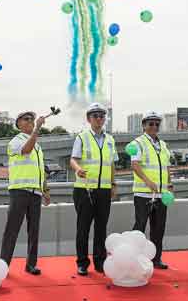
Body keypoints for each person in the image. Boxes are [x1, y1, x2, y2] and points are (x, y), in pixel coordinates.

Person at [0, 111, 51, 275]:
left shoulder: (37, 146)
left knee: (34, 230)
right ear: (19, 124)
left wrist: (45, 190)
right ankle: (3, 265)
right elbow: (26, 150)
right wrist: (37, 128)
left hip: (35, 192)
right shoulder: (15, 142)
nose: (30, 122)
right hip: (19, 191)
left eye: (32, 119)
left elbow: (40, 169)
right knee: (12, 229)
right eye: (26, 119)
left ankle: (31, 264)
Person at [70, 103, 118, 276]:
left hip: (104, 190)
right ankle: (82, 263)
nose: (99, 119)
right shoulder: (82, 137)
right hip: (85, 190)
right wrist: (77, 169)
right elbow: (73, 159)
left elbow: (112, 164)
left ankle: (100, 262)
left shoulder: (110, 140)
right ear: (88, 119)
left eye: (101, 116)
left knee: (101, 228)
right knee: (83, 228)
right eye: (95, 116)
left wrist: (113, 184)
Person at [130, 111, 173, 269]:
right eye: (150, 124)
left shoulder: (163, 145)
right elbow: (135, 165)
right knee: (140, 227)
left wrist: (170, 184)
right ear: (144, 126)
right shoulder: (137, 143)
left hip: (161, 194)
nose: (154, 126)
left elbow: (167, 167)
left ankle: (156, 258)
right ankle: (134, 258)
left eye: (156, 124)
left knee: (158, 228)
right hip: (143, 194)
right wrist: (148, 182)